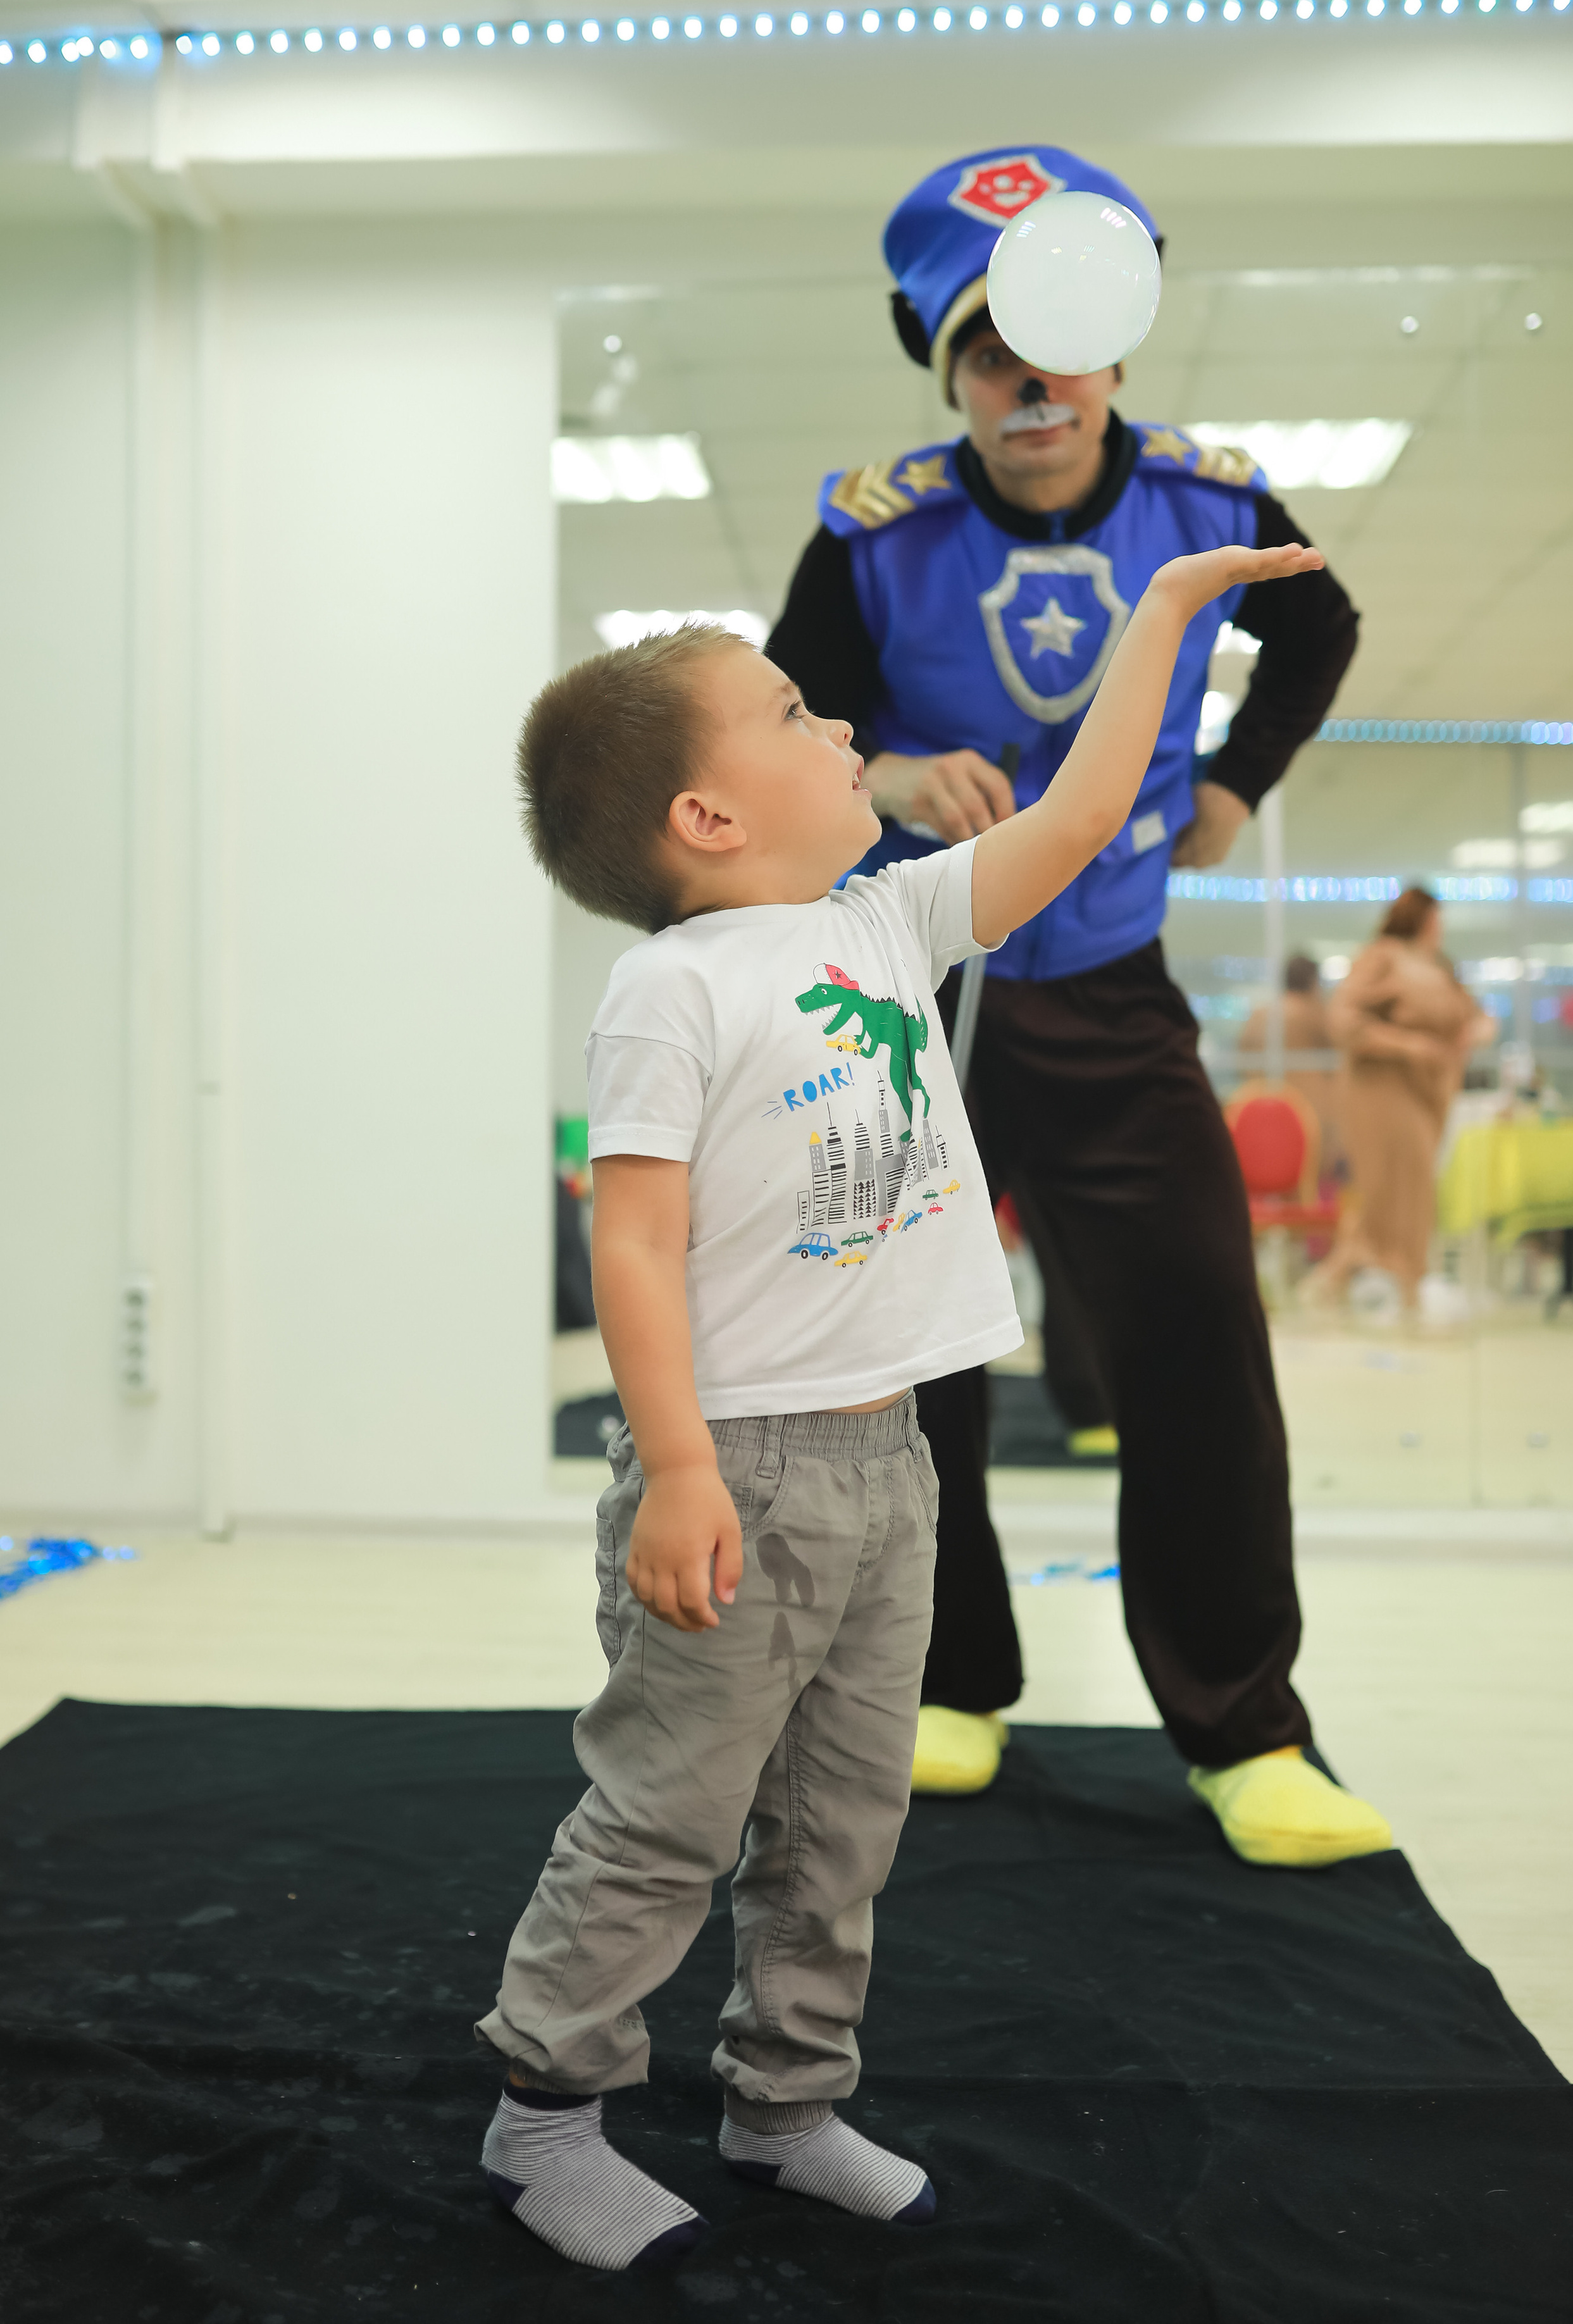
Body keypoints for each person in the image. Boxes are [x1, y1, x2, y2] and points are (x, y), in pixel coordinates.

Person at [476, 535, 1326, 2272]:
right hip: (741, 1474)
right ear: (708, 818)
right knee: (668, 1814)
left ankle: (783, 2106)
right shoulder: (672, 990)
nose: (838, 721)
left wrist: (1167, 621)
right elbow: (631, 1249)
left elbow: (1080, 825)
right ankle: (545, 2114)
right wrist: (682, 1473)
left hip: (887, 1461)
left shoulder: (888, 916)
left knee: (846, 1819)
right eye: (792, 713)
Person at [768, 145, 1391, 1868]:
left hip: (1114, 998)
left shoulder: (1210, 504)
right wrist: (882, 772)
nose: (1028, 391)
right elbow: (783, 719)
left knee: (1197, 1341)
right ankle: (945, 1680)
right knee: (918, 1365)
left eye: (1057, 357)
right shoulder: (875, 530)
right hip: (920, 994)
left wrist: (1238, 784)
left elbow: (1323, 630)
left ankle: (1246, 1727)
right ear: (949, 370)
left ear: (1116, 356)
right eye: (988, 357)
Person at [1312, 888, 1495, 1307]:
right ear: (1424, 917)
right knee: (1394, 1188)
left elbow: (1472, 1015)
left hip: (1427, 1092)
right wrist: (1406, 1044)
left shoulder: (1437, 966)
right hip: (1382, 1090)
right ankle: (1401, 1281)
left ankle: (1346, 1278)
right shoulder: (1382, 958)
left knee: (1407, 1187)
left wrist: (1476, 1031)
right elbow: (1344, 1018)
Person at [1236, 952, 1347, 1181]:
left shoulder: (1259, 1016)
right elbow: (1342, 1057)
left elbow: (1243, 1062)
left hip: (1258, 1122)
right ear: (1314, 983)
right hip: (1310, 1123)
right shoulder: (1315, 1014)